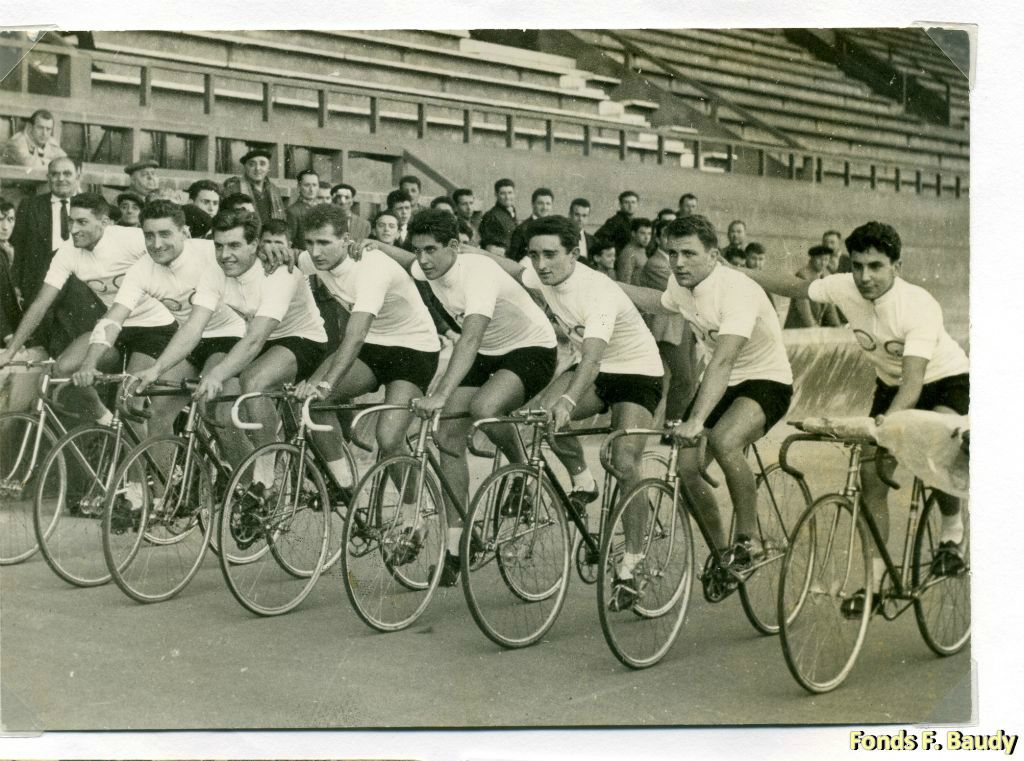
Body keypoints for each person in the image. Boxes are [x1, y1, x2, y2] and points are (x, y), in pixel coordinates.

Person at [739, 220, 970, 612]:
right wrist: (737, 273)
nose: (865, 277)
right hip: (890, 385)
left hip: (942, 381)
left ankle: (952, 535)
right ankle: (876, 581)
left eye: (876, 266)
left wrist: (884, 429)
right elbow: (794, 286)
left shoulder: (918, 305)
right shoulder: (843, 285)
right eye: (859, 265)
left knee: (939, 457)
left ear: (897, 265)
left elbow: (913, 384)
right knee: (869, 477)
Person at [372, 209, 558, 586]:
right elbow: (409, 261)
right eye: (418, 249)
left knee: (485, 407)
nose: (423, 259)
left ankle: (523, 470)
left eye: (431, 250)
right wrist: (375, 245)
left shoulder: (479, 273)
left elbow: (469, 338)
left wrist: (440, 394)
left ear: (455, 247)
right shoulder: (427, 264)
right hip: (490, 352)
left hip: (532, 348)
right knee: (446, 437)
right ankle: (457, 547)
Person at [490, 215, 666, 610]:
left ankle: (632, 565)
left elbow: (591, 360)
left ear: (575, 253)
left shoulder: (597, 291)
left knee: (623, 461)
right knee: (543, 419)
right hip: (599, 371)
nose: (541, 263)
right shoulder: (541, 274)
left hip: (636, 373)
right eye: (536, 254)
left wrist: (569, 402)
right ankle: (583, 482)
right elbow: (516, 271)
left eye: (551, 254)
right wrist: (471, 252)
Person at [618, 215, 794, 593]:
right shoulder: (682, 285)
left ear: (714, 255)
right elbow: (658, 302)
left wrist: (696, 419)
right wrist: (607, 285)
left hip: (767, 379)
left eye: (689, 254)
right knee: (686, 468)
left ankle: (748, 540)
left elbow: (724, 360)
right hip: (723, 382)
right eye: (673, 253)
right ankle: (723, 554)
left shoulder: (737, 290)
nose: (678, 262)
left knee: (725, 440)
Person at [291, 204, 441, 522]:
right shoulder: (313, 258)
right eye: (310, 243)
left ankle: (413, 514)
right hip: (376, 345)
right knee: (317, 406)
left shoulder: (371, 266)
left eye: (324, 243)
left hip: (413, 350)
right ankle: (345, 485)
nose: (315, 252)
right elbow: (286, 257)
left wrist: (327, 382)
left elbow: (355, 337)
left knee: (389, 439)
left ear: (346, 239)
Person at [74, 200, 247, 446]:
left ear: (184, 232)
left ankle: (257, 482)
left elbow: (251, 254)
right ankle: (160, 485)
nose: (156, 244)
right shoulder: (141, 270)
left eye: (165, 234)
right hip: (189, 340)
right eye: (149, 236)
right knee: (157, 414)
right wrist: (90, 362)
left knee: (214, 410)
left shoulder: (208, 252)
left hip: (230, 335)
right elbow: (114, 318)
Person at [0, 193, 178, 432]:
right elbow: (40, 305)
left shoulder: (131, 239)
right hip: (115, 327)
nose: (73, 229)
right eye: (70, 221)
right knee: (64, 369)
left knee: (128, 402)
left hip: (155, 328)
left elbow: (174, 257)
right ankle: (104, 418)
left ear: (104, 222)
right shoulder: (67, 252)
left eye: (82, 222)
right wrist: (10, 352)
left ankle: (138, 466)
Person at [184, 211, 328, 494]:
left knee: (253, 381)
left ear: (255, 245)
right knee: (216, 400)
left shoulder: (279, 269)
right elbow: (192, 328)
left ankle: (266, 475)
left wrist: (216, 373)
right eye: (219, 246)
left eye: (234, 245)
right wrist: (156, 368)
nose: (225, 254)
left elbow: (254, 339)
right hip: (260, 340)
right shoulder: (217, 270)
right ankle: (243, 478)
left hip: (302, 338)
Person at [634, 218, 696, 431]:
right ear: (659, 238)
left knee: (688, 378)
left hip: (683, 326)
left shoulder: (671, 262)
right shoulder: (655, 264)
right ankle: (671, 427)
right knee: (683, 377)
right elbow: (682, 289)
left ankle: (675, 424)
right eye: (667, 237)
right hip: (668, 329)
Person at [0, 199, 46, 413]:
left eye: (10, 219)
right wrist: (9, 335)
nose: (5, 226)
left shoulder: (5, 252)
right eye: (0, 220)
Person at [222, 147, 286, 226]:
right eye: (252, 164)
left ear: (268, 168)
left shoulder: (274, 190)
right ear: (245, 167)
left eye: (262, 164)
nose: (257, 168)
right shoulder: (232, 190)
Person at [783, 245, 842, 329]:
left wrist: (838, 327)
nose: (823, 263)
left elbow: (830, 309)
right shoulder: (802, 276)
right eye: (819, 259)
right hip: (797, 330)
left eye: (826, 259)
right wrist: (815, 330)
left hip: (812, 331)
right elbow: (804, 312)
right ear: (811, 258)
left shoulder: (825, 277)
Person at [506, 187, 554, 261]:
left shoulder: (556, 227)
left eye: (548, 204)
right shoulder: (522, 229)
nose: (544, 207)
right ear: (533, 204)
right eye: (540, 203)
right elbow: (513, 258)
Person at [477, 178, 517, 255]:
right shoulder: (491, 216)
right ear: (496, 194)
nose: (507, 197)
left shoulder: (512, 212)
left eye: (510, 193)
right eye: (503, 193)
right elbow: (490, 248)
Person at [285, 168, 320, 244]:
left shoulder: (321, 209)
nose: (311, 189)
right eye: (307, 185)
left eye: (314, 185)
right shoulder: (293, 211)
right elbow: (289, 242)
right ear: (299, 187)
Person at [615, 217, 653, 283]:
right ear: (633, 233)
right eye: (642, 233)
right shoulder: (628, 253)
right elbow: (624, 283)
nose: (646, 237)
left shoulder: (641, 250)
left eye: (649, 233)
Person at [568, 197, 595, 264]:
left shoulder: (593, 240)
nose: (580, 219)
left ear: (588, 217)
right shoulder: (561, 237)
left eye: (584, 216)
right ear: (570, 215)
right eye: (577, 215)